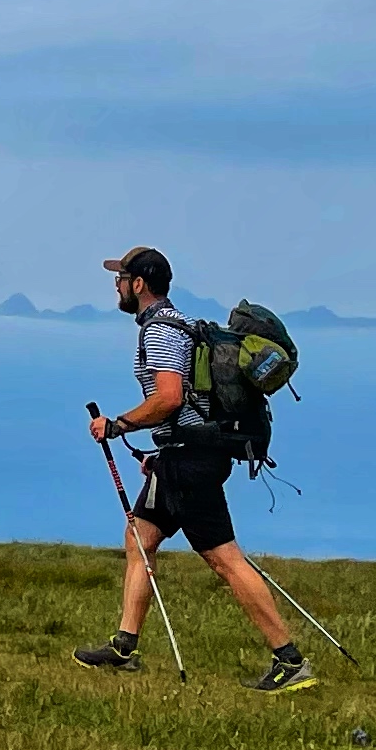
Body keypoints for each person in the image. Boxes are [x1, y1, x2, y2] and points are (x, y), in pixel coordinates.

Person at [74, 244, 315, 692]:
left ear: (138, 284)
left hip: (191, 462)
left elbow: (169, 397)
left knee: (224, 559)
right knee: (140, 538)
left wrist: (118, 425)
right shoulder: (175, 325)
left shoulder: (160, 332)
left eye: (120, 278)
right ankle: (125, 647)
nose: (116, 286)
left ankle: (290, 661)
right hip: (178, 456)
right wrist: (159, 450)